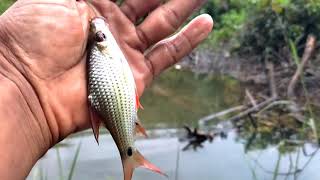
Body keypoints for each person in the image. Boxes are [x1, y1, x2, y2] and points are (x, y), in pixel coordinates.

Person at [0, 0, 213, 179]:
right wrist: (19, 75)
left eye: (98, 35)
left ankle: (129, 153)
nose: (99, 32)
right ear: (102, 40)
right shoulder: (102, 46)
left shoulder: (102, 48)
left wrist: (17, 77)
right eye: (99, 36)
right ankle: (129, 154)